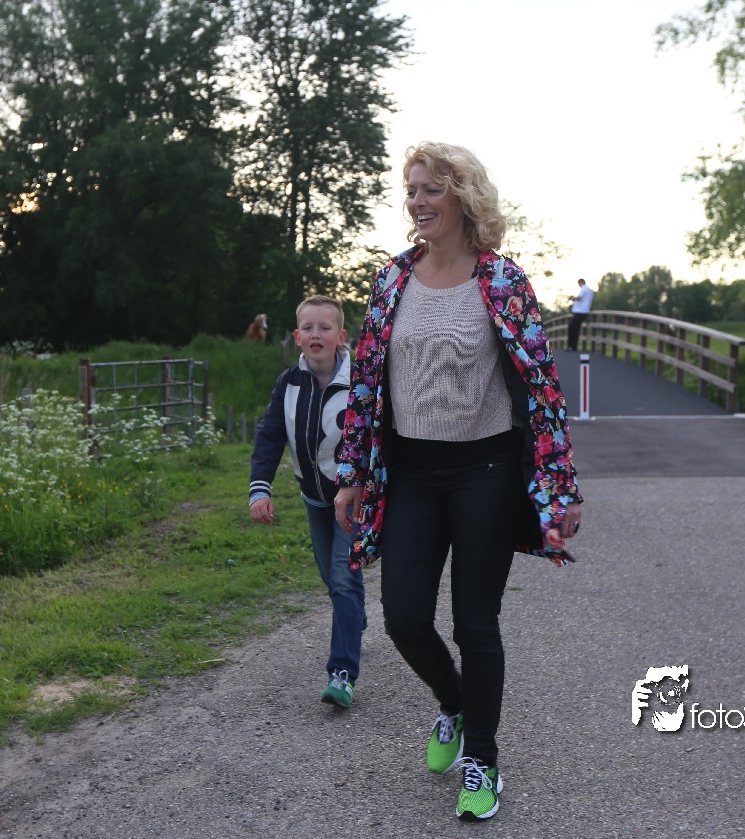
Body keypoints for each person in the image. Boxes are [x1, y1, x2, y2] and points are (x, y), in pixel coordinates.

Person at [333, 142, 583, 821]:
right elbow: (366, 382)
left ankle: (483, 759)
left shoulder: (501, 280)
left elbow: (542, 387)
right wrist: (352, 474)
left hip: (486, 470)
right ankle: (453, 702)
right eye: (412, 189)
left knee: (476, 621)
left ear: (462, 197)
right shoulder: (392, 279)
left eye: (430, 189)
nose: (417, 201)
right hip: (412, 471)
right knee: (405, 616)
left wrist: (560, 485)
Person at [249, 295, 366, 708]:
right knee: (330, 577)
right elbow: (269, 435)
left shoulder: (359, 384)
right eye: (308, 328)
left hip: (352, 500)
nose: (316, 334)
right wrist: (260, 488)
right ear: (297, 337)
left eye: (325, 328)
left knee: (343, 578)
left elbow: (376, 438)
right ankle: (354, 620)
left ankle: (342, 673)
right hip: (314, 498)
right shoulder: (289, 383)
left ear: (341, 336)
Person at [566, 278, 594, 351]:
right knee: (576, 328)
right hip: (583, 311)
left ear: (580, 282)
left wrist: (571, 298)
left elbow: (579, 298)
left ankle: (570, 345)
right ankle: (574, 346)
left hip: (580, 312)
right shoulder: (588, 290)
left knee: (571, 326)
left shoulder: (584, 289)